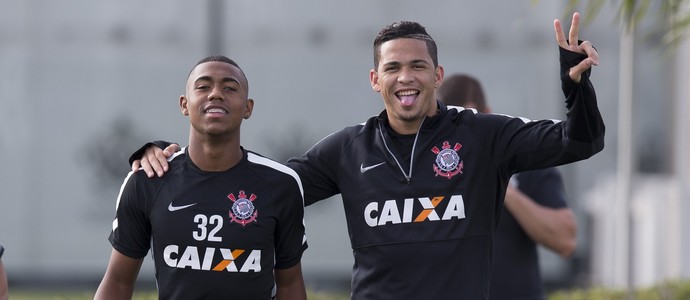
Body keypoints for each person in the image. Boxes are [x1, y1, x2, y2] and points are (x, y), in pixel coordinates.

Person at [131, 13, 603, 299]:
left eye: (417, 66)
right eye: (392, 68)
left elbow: (578, 142)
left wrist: (574, 88)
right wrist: (169, 158)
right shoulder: (349, 148)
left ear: (436, 74)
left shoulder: (482, 135)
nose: (406, 78)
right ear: (375, 80)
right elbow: (265, 187)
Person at [95, 55, 308, 300]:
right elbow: (118, 282)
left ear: (247, 107)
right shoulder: (147, 182)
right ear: (184, 104)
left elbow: (290, 284)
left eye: (229, 87)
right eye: (203, 86)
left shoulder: (282, 184)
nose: (216, 94)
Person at [437, 73, 577, 299]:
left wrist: (504, 188)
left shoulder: (524, 163)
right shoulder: (425, 171)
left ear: (489, 116)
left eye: (471, 123)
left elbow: (565, 240)